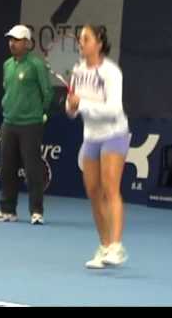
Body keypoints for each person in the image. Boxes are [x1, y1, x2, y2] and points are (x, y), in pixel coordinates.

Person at [66, 25, 130, 267]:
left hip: (114, 132)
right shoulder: (77, 70)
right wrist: (71, 107)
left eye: (85, 38)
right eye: (80, 39)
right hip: (91, 136)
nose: (81, 43)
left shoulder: (112, 73)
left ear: (99, 43)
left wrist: (81, 103)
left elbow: (114, 109)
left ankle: (116, 247)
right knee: (93, 192)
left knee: (110, 188)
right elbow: (71, 109)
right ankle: (103, 247)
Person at [0, 25, 53, 225]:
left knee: (32, 170)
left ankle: (36, 212)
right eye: (10, 39)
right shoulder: (7, 65)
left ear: (27, 43)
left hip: (30, 124)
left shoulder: (36, 65)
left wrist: (41, 113)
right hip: (9, 123)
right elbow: (8, 90)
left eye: (16, 40)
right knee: (7, 168)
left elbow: (48, 93)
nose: (12, 43)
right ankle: (7, 210)